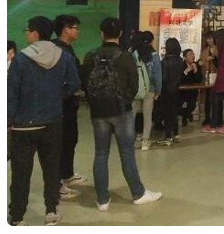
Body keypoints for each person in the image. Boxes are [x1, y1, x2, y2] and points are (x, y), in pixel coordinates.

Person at [82, 17, 162, 210]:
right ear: (120, 34)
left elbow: (84, 83)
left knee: (100, 154)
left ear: (101, 34)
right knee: (127, 154)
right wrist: (123, 101)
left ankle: (102, 200)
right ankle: (138, 193)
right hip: (121, 111)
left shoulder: (90, 56)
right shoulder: (126, 57)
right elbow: (134, 86)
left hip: (98, 112)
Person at [8, 16, 80, 226]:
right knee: (51, 169)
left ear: (35, 33)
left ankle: (17, 217)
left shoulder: (20, 59)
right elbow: (74, 83)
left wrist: (8, 121)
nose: (25, 33)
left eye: (27, 30)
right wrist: (57, 97)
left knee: (21, 173)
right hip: (52, 122)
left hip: (23, 126)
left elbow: (11, 94)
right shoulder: (64, 57)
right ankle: (51, 212)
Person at [51, 15, 86, 200]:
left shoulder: (67, 48)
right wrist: (69, 92)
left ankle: (67, 174)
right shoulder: (57, 50)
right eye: (75, 28)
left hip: (70, 105)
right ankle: (56, 185)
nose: (77, 31)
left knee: (71, 139)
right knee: (61, 143)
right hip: (61, 106)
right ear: (66, 29)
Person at [131, 32, 162, 151]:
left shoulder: (132, 53)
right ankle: (145, 141)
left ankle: (131, 140)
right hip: (150, 89)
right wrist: (158, 90)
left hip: (136, 89)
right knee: (147, 115)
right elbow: (157, 75)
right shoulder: (154, 56)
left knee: (132, 115)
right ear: (151, 41)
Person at [157, 38, 185, 146]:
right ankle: (176, 135)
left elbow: (163, 78)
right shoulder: (180, 60)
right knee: (174, 113)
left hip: (166, 90)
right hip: (177, 90)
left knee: (167, 114)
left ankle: (168, 137)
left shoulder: (165, 61)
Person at [199, 32, 218, 129]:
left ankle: (216, 118)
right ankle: (207, 117)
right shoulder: (204, 51)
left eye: (210, 38)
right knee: (207, 99)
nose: (209, 40)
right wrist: (202, 62)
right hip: (207, 77)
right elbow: (201, 60)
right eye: (207, 39)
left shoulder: (218, 49)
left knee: (215, 98)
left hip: (216, 76)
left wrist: (213, 59)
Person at [179, 48, 203, 126]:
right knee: (180, 106)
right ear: (184, 57)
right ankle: (186, 116)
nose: (192, 56)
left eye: (193, 54)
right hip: (182, 91)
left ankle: (186, 116)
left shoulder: (196, 65)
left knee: (192, 106)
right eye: (190, 54)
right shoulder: (181, 65)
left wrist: (195, 70)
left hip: (192, 91)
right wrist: (186, 70)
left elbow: (199, 80)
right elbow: (180, 79)